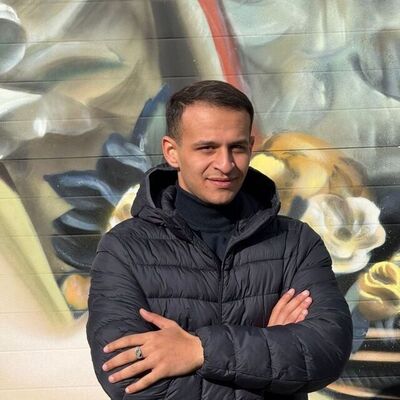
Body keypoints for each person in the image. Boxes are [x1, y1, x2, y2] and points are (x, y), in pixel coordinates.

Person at [87, 80, 352, 400]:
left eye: (236, 147)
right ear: (172, 152)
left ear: (251, 147)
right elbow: (127, 378)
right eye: (207, 148)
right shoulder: (125, 249)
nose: (225, 165)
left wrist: (198, 351)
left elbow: (324, 353)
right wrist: (268, 348)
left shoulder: (295, 243)